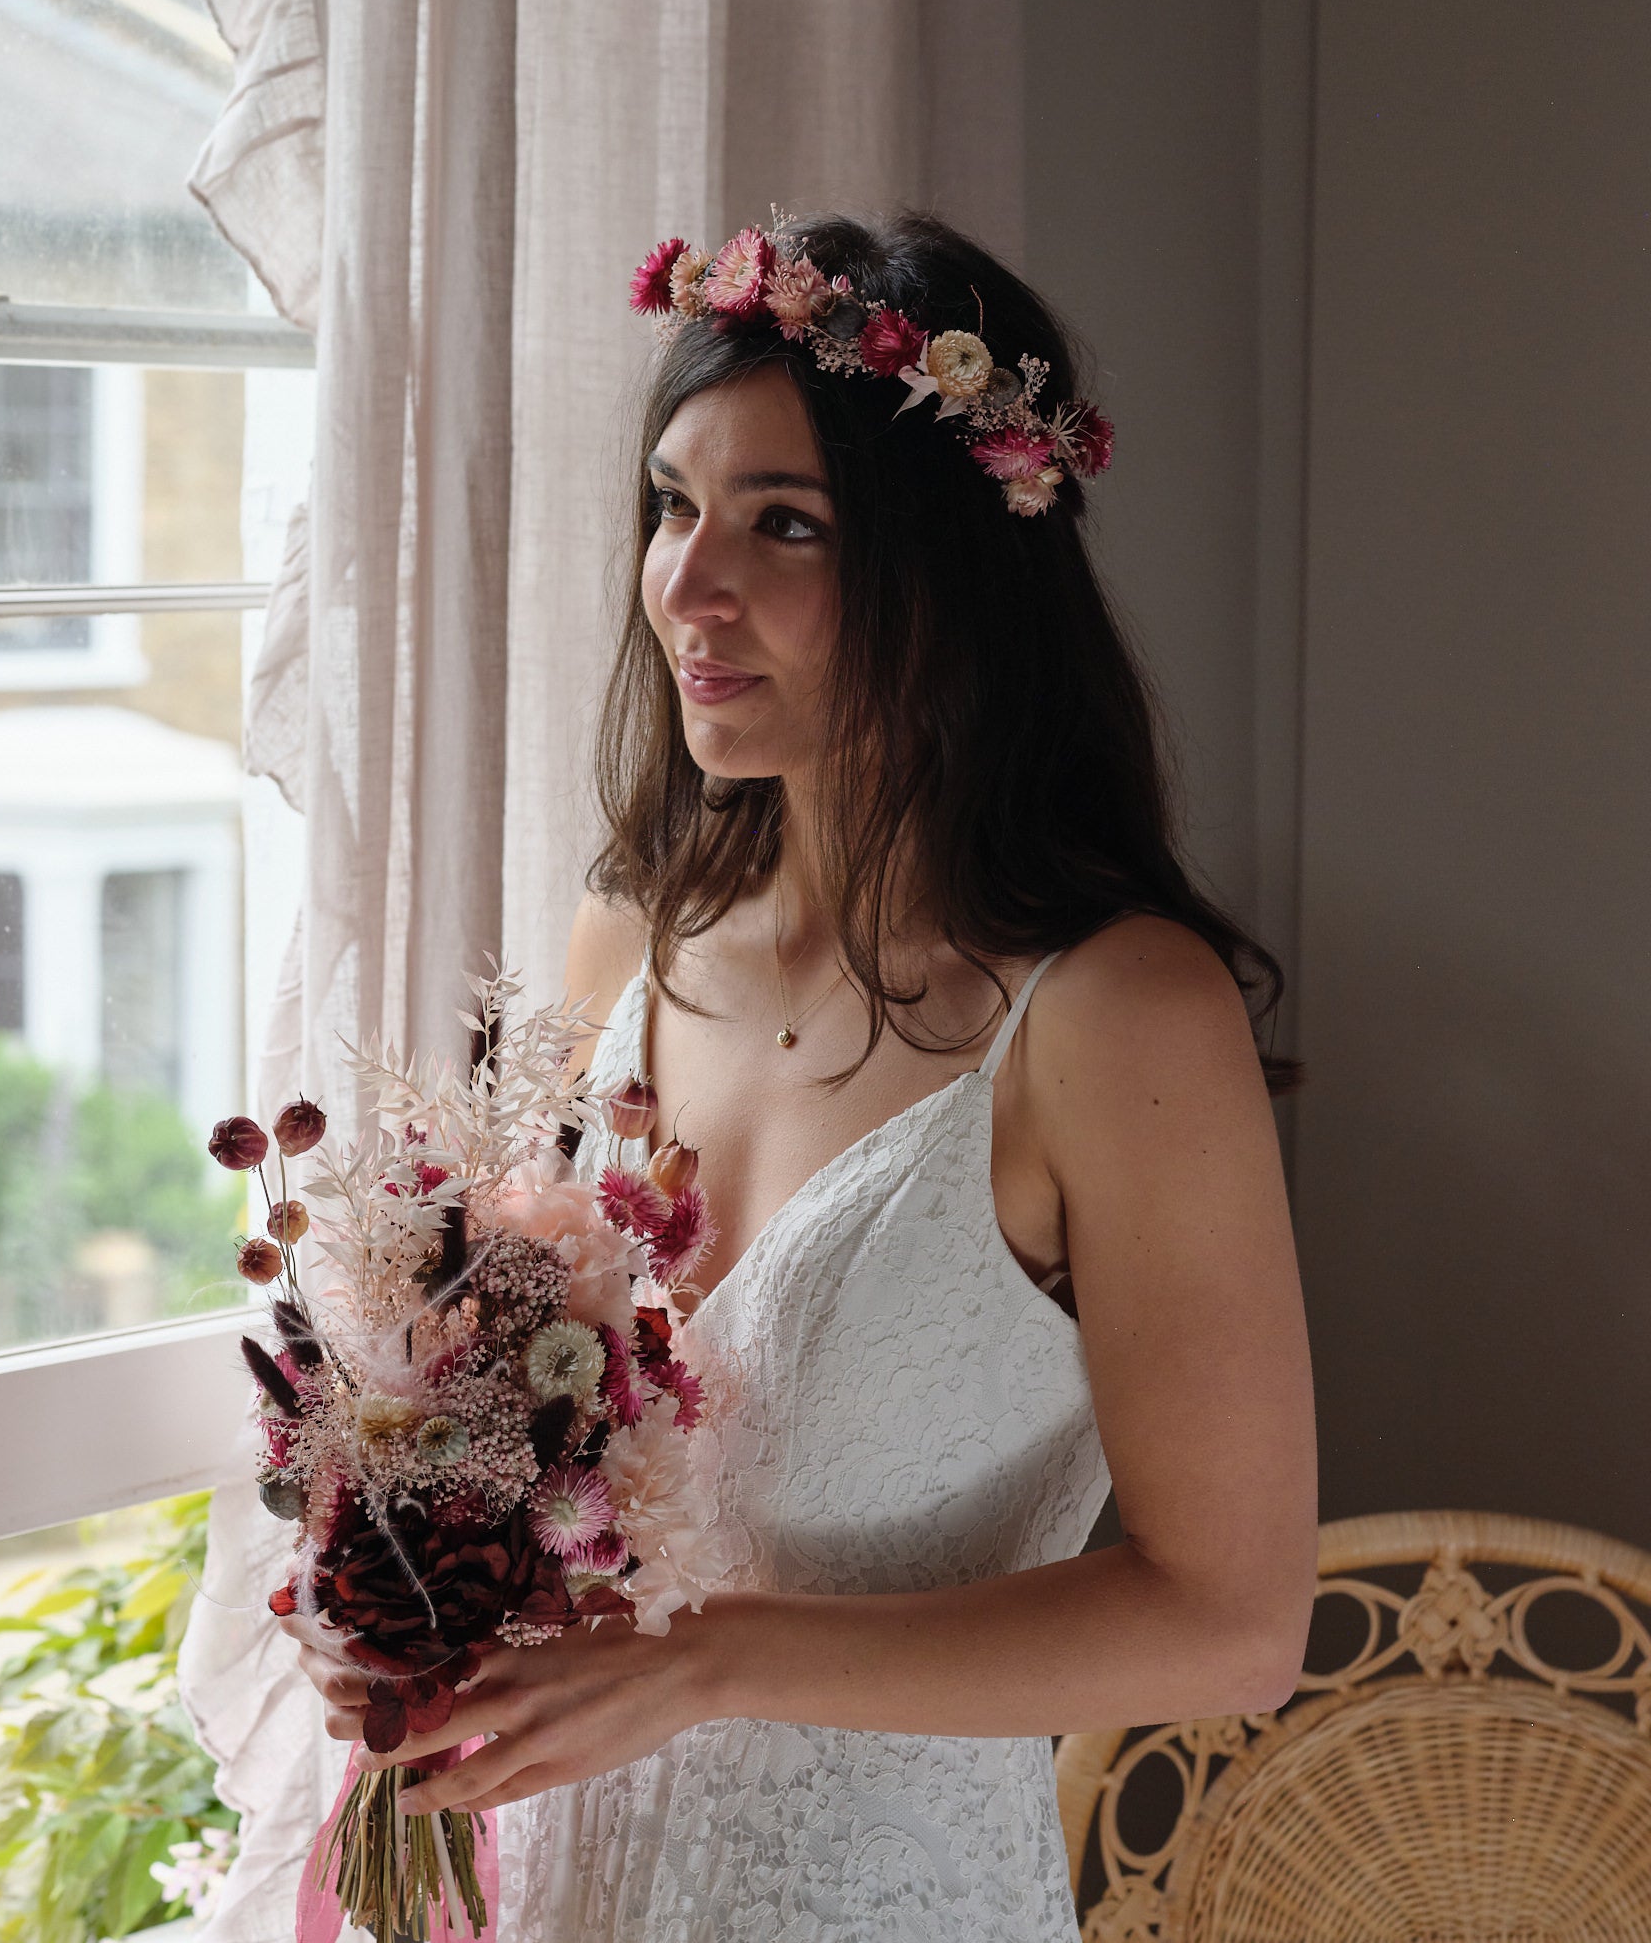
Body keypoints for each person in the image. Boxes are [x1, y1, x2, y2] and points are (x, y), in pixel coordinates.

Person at [295, 210, 1317, 1940]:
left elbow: (1231, 1622)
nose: (692, 583)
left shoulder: (1117, 1018)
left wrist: (713, 1670)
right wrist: (422, 1612)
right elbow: (556, 1461)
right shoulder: (632, 940)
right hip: (563, 1893)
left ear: (955, 573)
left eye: (787, 525)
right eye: (673, 506)